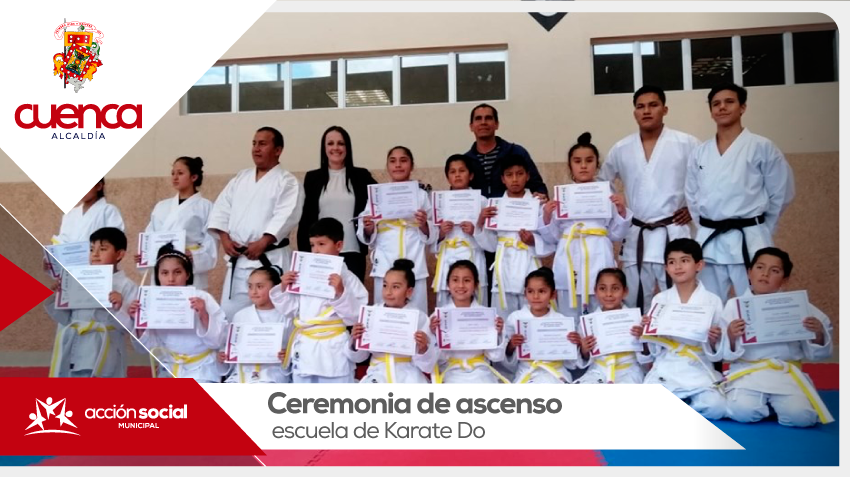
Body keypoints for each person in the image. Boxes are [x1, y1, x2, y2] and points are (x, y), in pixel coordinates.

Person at [685, 83, 795, 304]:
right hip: (710, 240)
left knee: (756, 303)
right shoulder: (700, 152)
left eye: (729, 102)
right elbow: (692, 196)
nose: (722, 107)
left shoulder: (762, 147)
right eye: (716, 104)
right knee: (709, 304)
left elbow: (781, 193)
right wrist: (706, 226)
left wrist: (760, 227)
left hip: (750, 238)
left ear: (742, 107)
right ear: (711, 111)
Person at [600, 86, 700, 313]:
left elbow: (708, 182)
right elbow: (602, 185)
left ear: (665, 109)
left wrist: (693, 209)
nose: (646, 111)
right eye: (640, 106)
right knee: (634, 303)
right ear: (634, 112)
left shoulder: (687, 144)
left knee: (679, 301)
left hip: (673, 232)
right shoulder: (621, 148)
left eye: (653, 105)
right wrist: (619, 213)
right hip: (637, 235)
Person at [721, 247, 834, 426]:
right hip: (749, 374)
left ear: (785, 279)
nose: (765, 274)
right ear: (749, 272)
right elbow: (724, 352)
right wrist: (731, 335)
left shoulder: (799, 307)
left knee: (802, 418)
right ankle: (770, 405)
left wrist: (818, 333)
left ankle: (774, 405)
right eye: (760, 267)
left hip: (784, 374)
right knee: (742, 412)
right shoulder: (733, 305)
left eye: (774, 271)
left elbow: (818, 354)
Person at [209, 127, 305, 320]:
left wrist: (263, 242)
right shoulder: (240, 178)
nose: (256, 148)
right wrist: (225, 239)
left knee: (275, 316)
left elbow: (286, 215)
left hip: (270, 259)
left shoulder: (287, 181)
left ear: (278, 150)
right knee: (231, 316)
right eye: (254, 143)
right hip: (239, 259)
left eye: (262, 144)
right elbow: (221, 209)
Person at [542, 132, 632, 317]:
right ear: (570, 165)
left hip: (598, 252)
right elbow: (552, 237)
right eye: (577, 161)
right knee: (568, 309)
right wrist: (547, 215)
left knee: (600, 304)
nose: (583, 166)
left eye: (589, 161)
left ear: (597, 165)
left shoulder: (607, 194)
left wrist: (621, 211)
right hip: (569, 253)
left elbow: (616, 235)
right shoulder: (562, 196)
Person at [636, 238, 726, 420]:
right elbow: (655, 350)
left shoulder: (712, 300)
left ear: (699, 265)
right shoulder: (660, 299)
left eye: (684, 260)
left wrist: (714, 339)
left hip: (697, 365)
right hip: (668, 364)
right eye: (672, 262)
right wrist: (648, 332)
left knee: (716, 408)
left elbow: (717, 352)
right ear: (666, 268)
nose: (677, 267)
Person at [271, 218, 368, 383]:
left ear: (338, 245)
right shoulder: (302, 277)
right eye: (312, 245)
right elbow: (290, 310)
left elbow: (356, 317)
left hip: (333, 348)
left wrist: (341, 293)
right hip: (306, 346)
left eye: (322, 244)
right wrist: (283, 287)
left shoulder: (348, 279)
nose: (316, 250)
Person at [44, 227, 137, 377]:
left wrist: (120, 307)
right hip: (76, 344)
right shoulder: (77, 279)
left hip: (106, 347)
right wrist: (59, 296)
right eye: (92, 249)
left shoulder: (127, 285)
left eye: (103, 249)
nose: (95, 254)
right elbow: (66, 319)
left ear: (119, 254)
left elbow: (130, 328)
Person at [356, 146, 436, 314]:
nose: (398, 165)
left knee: (415, 316)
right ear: (387, 166)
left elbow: (433, 231)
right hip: (385, 265)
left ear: (412, 165)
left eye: (403, 160)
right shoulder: (377, 195)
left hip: (414, 264)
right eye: (393, 161)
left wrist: (424, 224)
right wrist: (369, 227)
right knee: (385, 315)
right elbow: (365, 230)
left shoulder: (421, 195)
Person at [130, 244, 227, 382]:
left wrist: (204, 314)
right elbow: (148, 347)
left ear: (187, 274)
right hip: (170, 365)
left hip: (202, 368)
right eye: (164, 273)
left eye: (177, 272)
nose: (171, 279)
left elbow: (217, 342)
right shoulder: (152, 301)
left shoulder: (202, 298)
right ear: (158, 276)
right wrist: (139, 323)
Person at [477, 155, 553, 318]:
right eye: (509, 175)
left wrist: (533, 241)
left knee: (532, 316)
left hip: (528, 265)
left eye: (519, 174)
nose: (515, 179)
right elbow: (491, 246)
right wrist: (481, 221)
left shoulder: (537, 204)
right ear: (503, 179)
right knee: (503, 320)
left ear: (528, 176)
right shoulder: (495, 206)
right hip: (504, 267)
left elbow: (551, 238)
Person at [297, 126, 377, 282]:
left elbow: (381, 197)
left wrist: (412, 189)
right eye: (330, 143)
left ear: (347, 147)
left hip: (353, 253)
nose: (335, 148)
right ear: (324, 148)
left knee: (351, 295)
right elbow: (306, 219)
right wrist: (304, 256)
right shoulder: (313, 178)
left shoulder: (361, 176)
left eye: (340, 143)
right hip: (321, 254)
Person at [348, 259, 437, 383]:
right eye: (385, 285)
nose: (388, 292)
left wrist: (424, 349)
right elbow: (359, 358)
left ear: (409, 291)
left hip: (408, 376)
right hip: (378, 373)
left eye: (395, 287)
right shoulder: (371, 314)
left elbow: (427, 366)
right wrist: (355, 340)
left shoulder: (419, 317)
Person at [138, 157, 217, 290]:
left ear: (194, 177)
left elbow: (211, 243)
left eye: (180, 173)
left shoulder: (206, 206)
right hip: (163, 267)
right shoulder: (161, 206)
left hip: (189, 268)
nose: (175, 177)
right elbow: (150, 236)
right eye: (173, 173)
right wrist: (145, 254)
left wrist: (195, 255)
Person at [430, 260, 508, 383]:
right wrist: (434, 334)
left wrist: (498, 334)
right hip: (450, 371)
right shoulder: (438, 317)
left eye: (467, 280)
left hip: (480, 371)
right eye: (455, 280)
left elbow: (495, 356)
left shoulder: (488, 316)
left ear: (476, 285)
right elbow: (433, 358)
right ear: (448, 284)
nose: (461, 285)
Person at [572, 268, 649, 384]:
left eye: (615, 288)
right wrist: (584, 349)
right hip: (598, 370)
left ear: (625, 291)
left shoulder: (637, 320)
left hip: (628, 371)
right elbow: (584, 358)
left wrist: (644, 339)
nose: (609, 294)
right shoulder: (588, 323)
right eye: (602, 289)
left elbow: (647, 356)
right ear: (595, 291)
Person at [503, 267, 579, 383]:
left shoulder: (562, 322)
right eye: (530, 291)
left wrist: (574, 344)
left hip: (556, 372)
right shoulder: (515, 318)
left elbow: (571, 363)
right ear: (525, 293)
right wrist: (511, 345)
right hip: (527, 371)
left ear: (553, 294)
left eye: (542, 291)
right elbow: (506, 358)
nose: (536, 296)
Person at [432, 155, 490, 307]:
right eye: (452, 172)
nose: (457, 175)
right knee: (446, 308)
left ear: (471, 175)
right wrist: (441, 233)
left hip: (473, 257)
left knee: (476, 306)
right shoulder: (438, 202)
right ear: (447, 177)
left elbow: (491, 244)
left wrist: (475, 230)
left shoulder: (482, 201)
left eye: (462, 171)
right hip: (447, 258)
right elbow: (430, 240)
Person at [221, 266, 291, 384]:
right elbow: (233, 347)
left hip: (273, 374)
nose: (253, 292)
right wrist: (225, 355)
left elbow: (294, 349)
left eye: (260, 286)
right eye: (250, 286)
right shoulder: (240, 316)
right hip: (242, 375)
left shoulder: (287, 316)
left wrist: (287, 356)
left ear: (275, 288)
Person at [463, 103, 548, 199]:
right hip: (479, 209)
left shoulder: (517, 152)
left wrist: (541, 197)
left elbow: (537, 186)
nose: (483, 122)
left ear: (496, 124)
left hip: (513, 207)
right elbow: (457, 190)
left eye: (488, 118)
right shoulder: (465, 161)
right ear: (471, 126)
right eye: (478, 118)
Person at [53, 178, 124, 244]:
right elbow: (62, 240)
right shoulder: (70, 214)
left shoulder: (109, 211)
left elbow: (116, 240)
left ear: (99, 186)